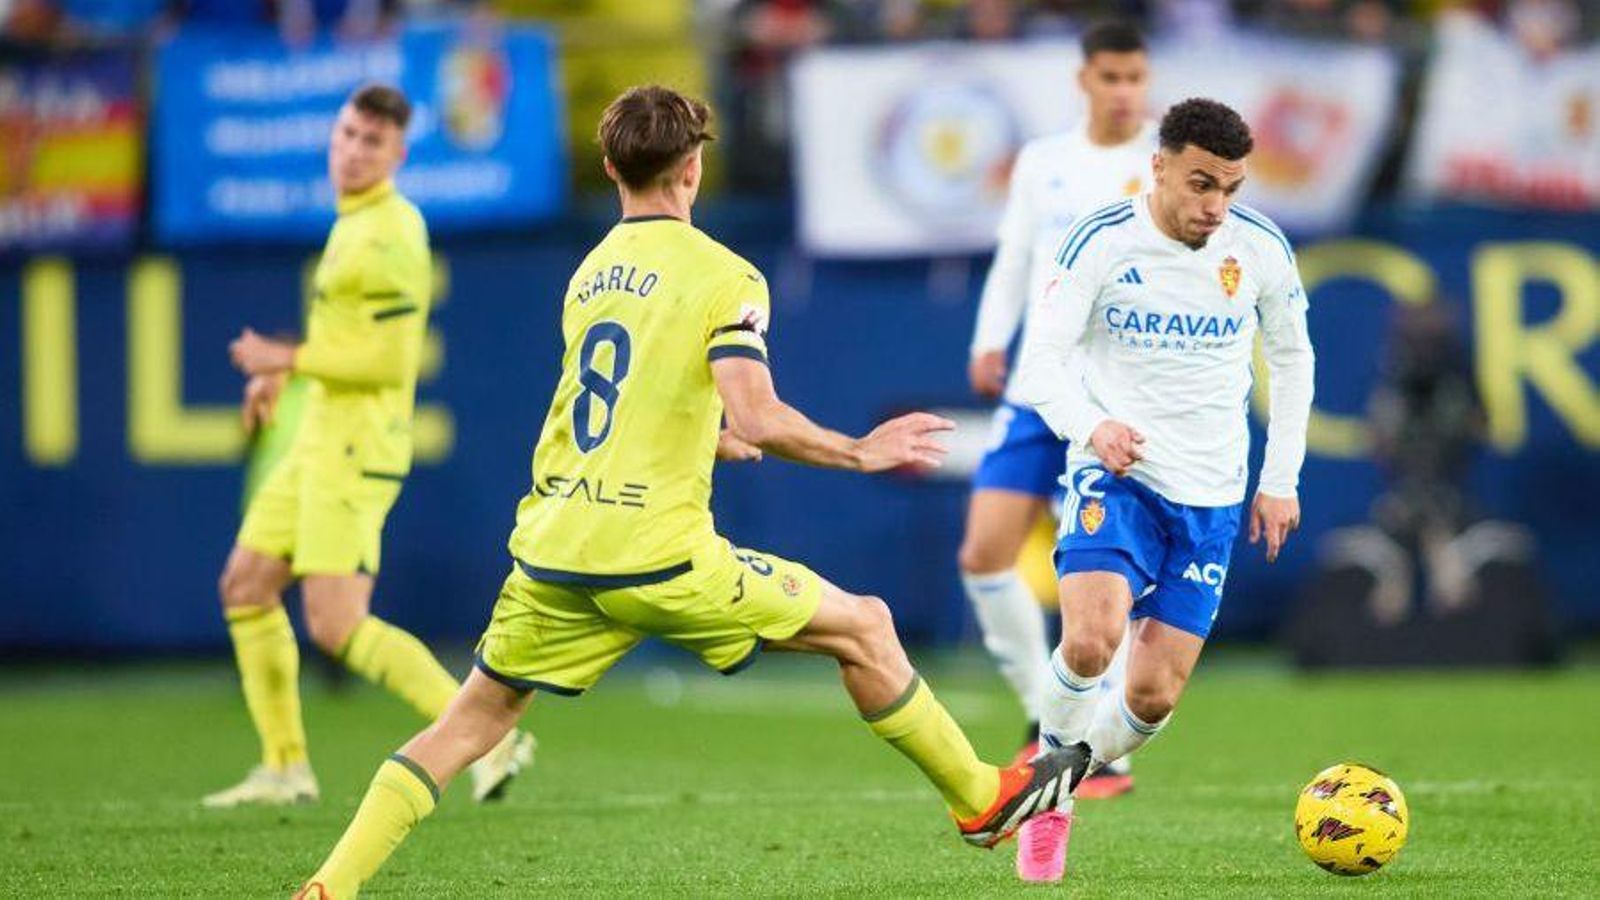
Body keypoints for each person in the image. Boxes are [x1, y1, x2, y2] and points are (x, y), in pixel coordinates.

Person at [291, 84, 1090, 898]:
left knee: (470, 722)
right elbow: (760, 410)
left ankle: (329, 885)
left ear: (610, 168)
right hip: (656, 558)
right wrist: (857, 451)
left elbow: (598, 406)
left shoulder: (592, 271)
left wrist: (705, 435)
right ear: (695, 166)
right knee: (866, 626)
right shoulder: (724, 272)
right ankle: (980, 801)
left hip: (554, 550)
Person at [1015, 97, 1316, 880]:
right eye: (1200, 184)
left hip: (1212, 496)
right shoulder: (1102, 241)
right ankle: (1045, 810)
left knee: (1151, 698)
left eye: (1231, 188)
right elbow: (1043, 360)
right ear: (1158, 166)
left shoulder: (1258, 250)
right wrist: (1092, 427)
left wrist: (1278, 480)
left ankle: (1056, 781)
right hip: (1118, 476)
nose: (1215, 206)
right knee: (1089, 639)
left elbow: (1293, 361)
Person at [209, 84, 533, 809]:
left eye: (371, 142)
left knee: (336, 624)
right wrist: (285, 371)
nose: (353, 151)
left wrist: (286, 360)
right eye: (348, 135)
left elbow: (389, 362)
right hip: (319, 438)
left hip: (356, 448)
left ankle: (492, 736)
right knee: (247, 584)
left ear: (398, 155)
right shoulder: (352, 224)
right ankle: (285, 767)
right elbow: (348, 343)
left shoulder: (391, 232)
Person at [959, 21, 1153, 821]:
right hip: (1040, 383)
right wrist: (985, 338)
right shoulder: (1044, 161)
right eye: (1110, 76)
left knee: (1105, 578)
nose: (1124, 92)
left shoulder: (1164, 167)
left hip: (1116, 394)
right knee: (983, 554)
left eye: (1136, 77)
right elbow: (1015, 256)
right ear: (1084, 80)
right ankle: (1054, 719)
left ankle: (1087, 739)